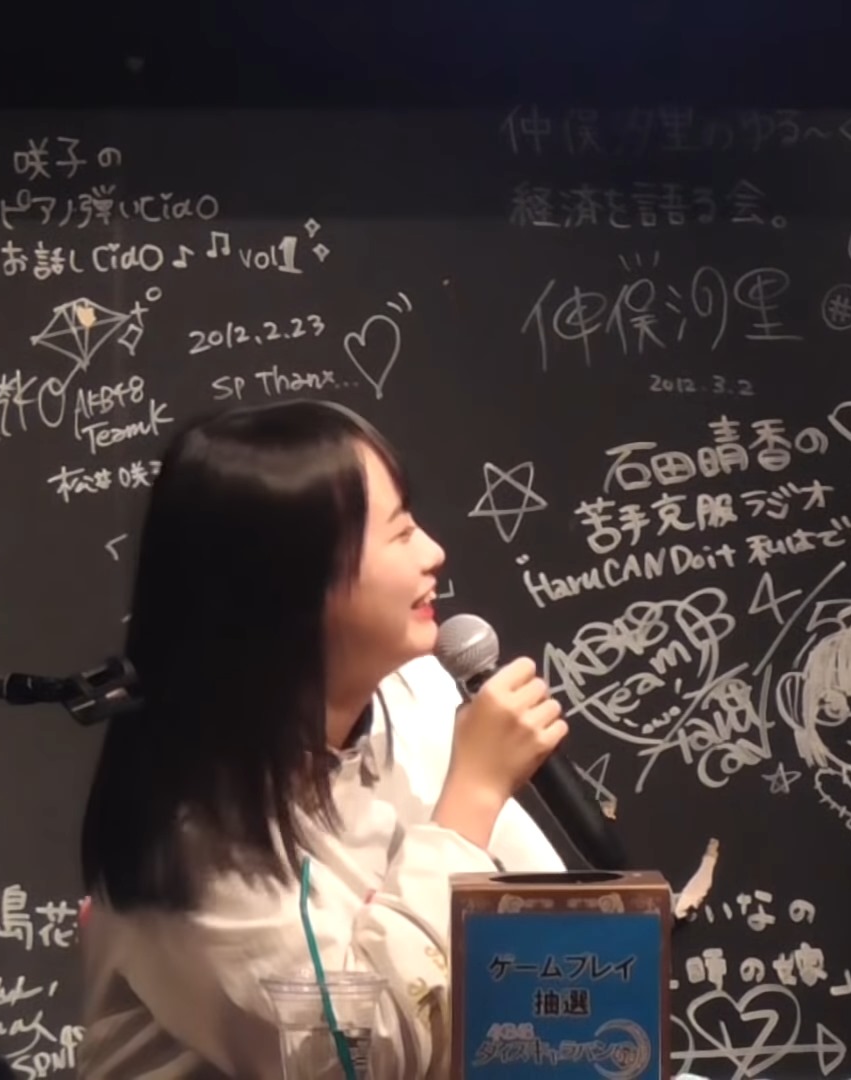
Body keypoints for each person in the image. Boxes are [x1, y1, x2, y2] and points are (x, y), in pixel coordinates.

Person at [77, 400, 572, 1079]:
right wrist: (473, 798)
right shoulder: (191, 838)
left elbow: (551, 952)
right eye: (400, 533)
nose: (434, 552)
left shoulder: (422, 692)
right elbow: (350, 1061)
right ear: (293, 583)